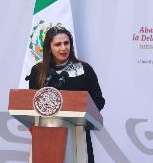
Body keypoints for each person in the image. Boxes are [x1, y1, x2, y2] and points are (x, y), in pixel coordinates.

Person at [28, 26, 105, 163]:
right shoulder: (38, 71)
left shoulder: (84, 70)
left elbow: (99, 101)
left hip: (77, 133)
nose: (64, 48)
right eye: (58, 44)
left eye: (66, 43)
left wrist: (82, 112)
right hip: (46, 135)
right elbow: (32, 103)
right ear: (49, 48)